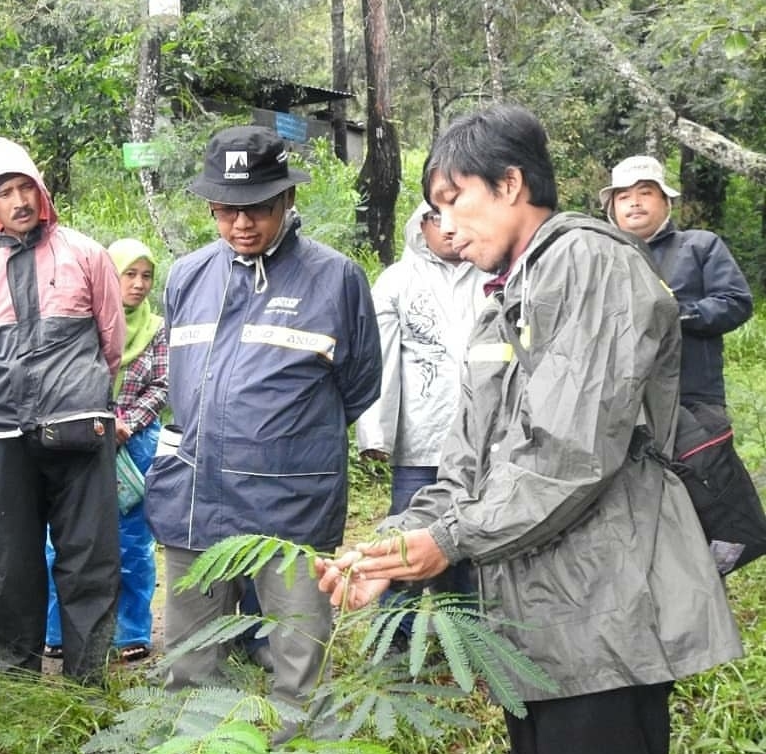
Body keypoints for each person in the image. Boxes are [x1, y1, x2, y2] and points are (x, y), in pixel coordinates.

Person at [316, 104, 743, 754]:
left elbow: (568, 454)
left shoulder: (591, 266)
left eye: (455, 200)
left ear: (511, 184)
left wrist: (448, 540)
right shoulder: (501, 305)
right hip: (528, 623)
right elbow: (463, 471)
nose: (446, 226)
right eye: (436, 209)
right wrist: (392, 547)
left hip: (604, 619)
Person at [143, 125, 381, 730]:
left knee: (296, 665)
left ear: (286, 202)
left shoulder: (336, 278)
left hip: (292, 509)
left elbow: (358, 387)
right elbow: (181, 381)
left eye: (256, 209)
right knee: (189, 665)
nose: (241, 225)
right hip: (194, 501)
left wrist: (281, 445)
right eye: (226, 211)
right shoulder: (187, 276)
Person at [0, 136, 124, 683]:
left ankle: (89, 686)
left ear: (41, 189)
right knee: (9, 566)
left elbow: (111, 342)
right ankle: (14, 684)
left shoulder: (87, 254)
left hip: (78, 426)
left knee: (89, 561)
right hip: (3, 433)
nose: (19, 200)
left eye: (25, 186)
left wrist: (81, 394)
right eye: (4, 192)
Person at [354, 199, 489, 645]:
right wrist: (376, 434)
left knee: (466, 541)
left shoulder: (491, 275)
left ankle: (466, 640)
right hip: (421, 442)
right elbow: (383, 361)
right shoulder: (398, 281)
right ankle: (396, 639)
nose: (448, 229)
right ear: (421, 224)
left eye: (455, 218)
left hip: (480, 443)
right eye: (436, 219)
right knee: (406, 541)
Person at [45, 238, 166, 663]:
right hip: (82, 438)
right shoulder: (88, 322)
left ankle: (132, 630)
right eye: (128, 274)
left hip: (136, 442)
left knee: (133, 541)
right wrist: (97, 420)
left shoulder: (157, 328)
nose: (138, 284)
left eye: (145, 275)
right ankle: (58, 631)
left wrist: (127, 423)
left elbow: (162, 385)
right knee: (66, 540)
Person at [599, 155, 752, 409]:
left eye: (645, 193)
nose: (634, 203)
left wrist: (676, 314)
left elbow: (736, 302)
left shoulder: (700, 245)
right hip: (622, 407)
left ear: (665, 201)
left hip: (692, 401)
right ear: (612, 208)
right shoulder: (601, 258)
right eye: (623, 197)